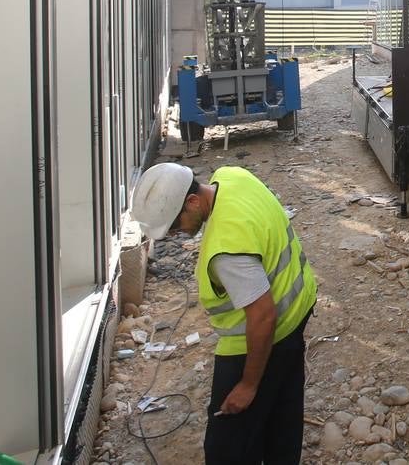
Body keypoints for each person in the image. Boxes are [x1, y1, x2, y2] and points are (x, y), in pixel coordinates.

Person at [131, 161, 317, 464]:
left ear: (192, 201)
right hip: (297, 310)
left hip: (264, 338)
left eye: (176, 225)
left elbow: (262, 317)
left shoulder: (227, 250)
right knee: (284, 414)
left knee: (227, 444)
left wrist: (248, 385)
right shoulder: (233, 176)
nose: (177, 234)